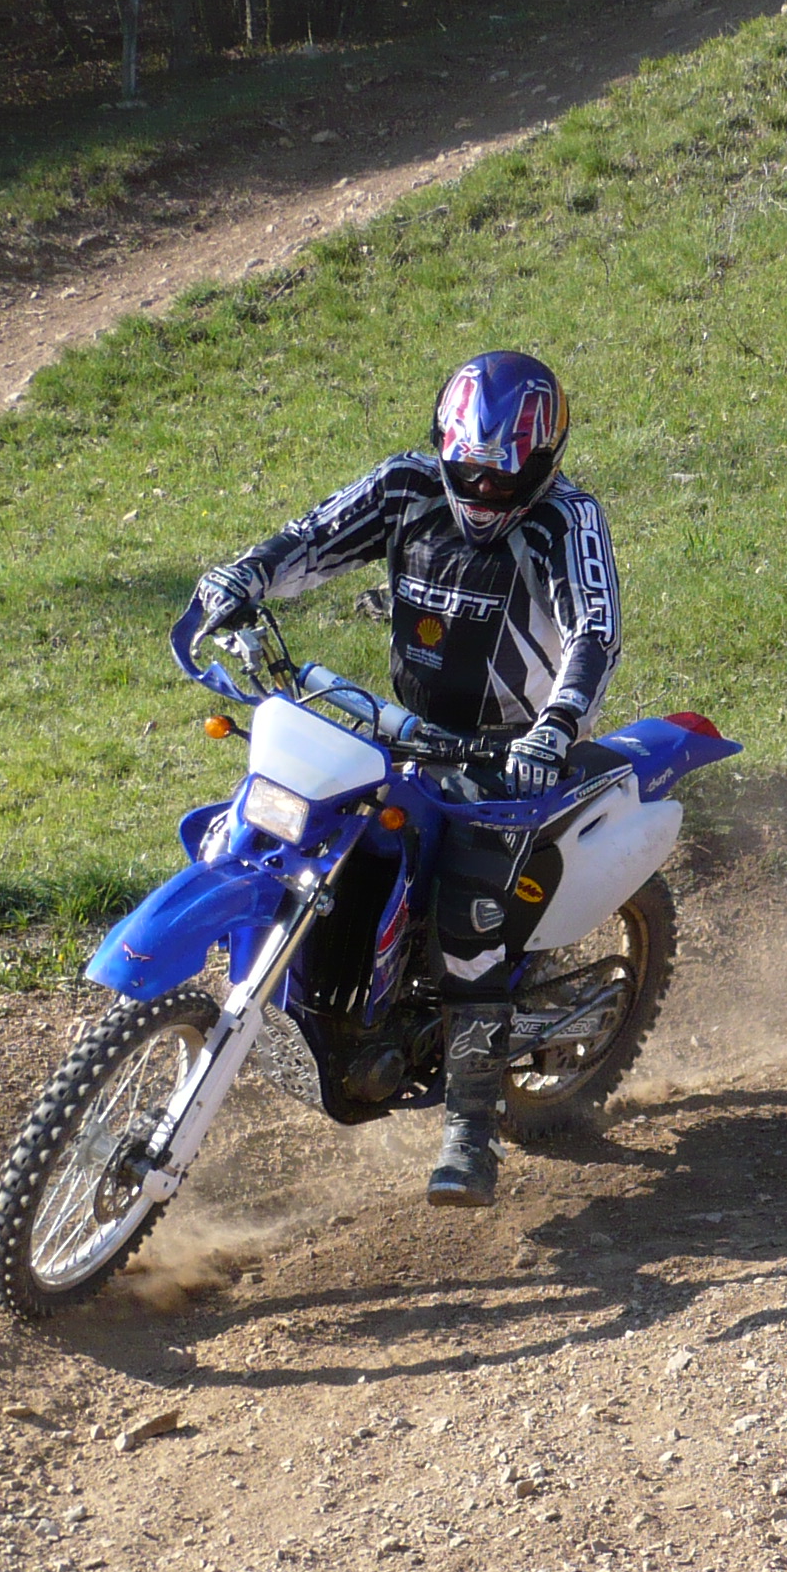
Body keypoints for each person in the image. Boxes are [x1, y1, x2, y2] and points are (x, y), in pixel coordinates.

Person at [189, 349, 622, 1210]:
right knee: (305, 831)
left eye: (507, 479)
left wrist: (557, 725)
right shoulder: (405, 487)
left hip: (510, 756)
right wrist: (246, 575)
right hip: (405, 734)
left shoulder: (567, 522)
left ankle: (470, 1128)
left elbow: (594, 631)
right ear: (443, 447)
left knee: (469, 920)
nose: (485, 493)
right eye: (472, 472)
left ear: (546, 463)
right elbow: (312, 539)